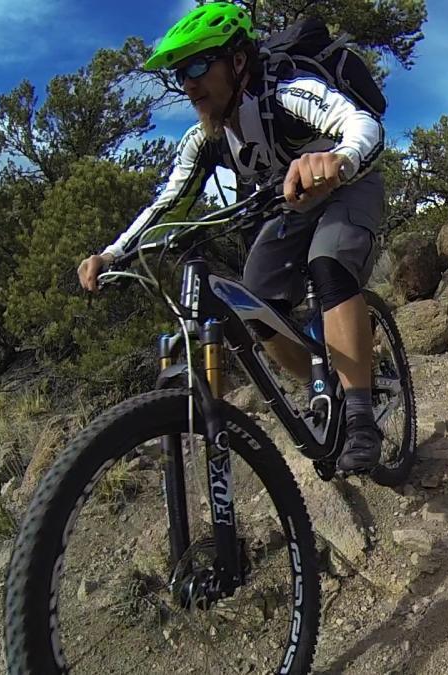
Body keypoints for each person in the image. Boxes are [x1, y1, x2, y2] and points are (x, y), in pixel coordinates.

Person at [76, 2, 385, 474]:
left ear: (238, 61)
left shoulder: (287, 94)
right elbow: (169, 203)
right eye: (182, 72)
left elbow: (361, 123)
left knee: (330, 261)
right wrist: (114, 252)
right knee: (252, 301)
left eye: (199, 65)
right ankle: (326, 384)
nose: (189, 83)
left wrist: (338, 160)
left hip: (346, 182)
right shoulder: (205, 139)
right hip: (288, 204)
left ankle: (362, 416)